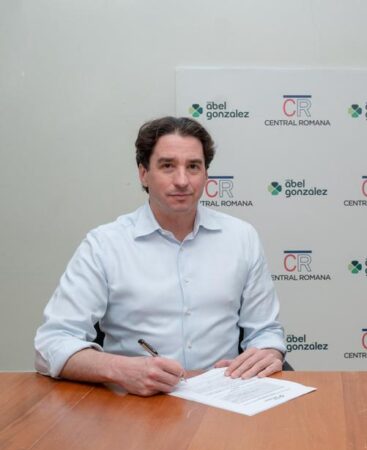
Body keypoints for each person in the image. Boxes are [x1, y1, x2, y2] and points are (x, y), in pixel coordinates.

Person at [34, 116, 285, 396]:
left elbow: (266, 332)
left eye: (193, 167)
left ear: (206, 174)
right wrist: (121, 369)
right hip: (135, 404)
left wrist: (267, 352)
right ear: (144, 174)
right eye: (167, 166)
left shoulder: (241, 237)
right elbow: (51, 343)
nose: (182, 181)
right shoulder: (105, 245)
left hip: (225, 400)